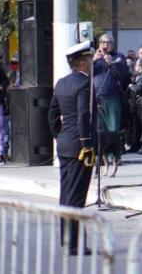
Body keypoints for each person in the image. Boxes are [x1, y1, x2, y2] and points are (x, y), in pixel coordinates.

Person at [47, 42, 96, 255]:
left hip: (65, 144)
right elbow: (84, 115)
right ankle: (75, 245)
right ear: (83, 63)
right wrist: (86, 144)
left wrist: (59, 135)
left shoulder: (62, 83)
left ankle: (67, 240)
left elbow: (51, 114)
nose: (93, 64)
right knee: (76, 197)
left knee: (66, 195)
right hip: (79, 147)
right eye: (91, 61)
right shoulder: (84, 84)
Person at [93, 34, 130, 166]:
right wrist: (93, 60)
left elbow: (125, 73)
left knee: (113, 128)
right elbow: (86, 72)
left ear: (112, 45)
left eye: (108, 43)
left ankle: (115, 156)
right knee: (99, 129)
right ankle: (100, 156)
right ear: (99, 44)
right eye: (103, 42)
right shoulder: (94, 57)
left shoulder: (118, 56)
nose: (105, 45)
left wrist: (112, 63)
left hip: (113, 97)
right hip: (97, 97)